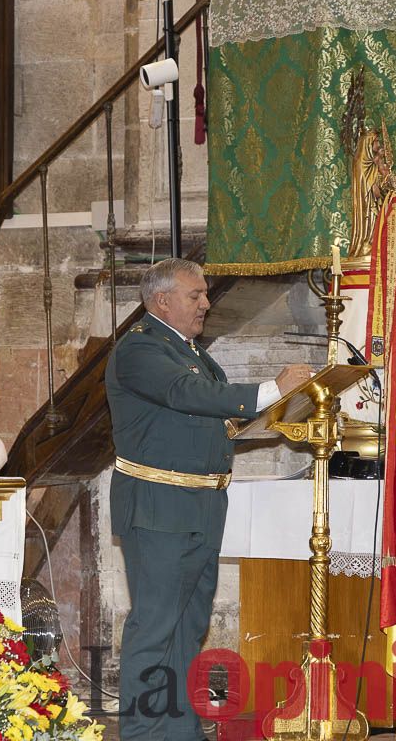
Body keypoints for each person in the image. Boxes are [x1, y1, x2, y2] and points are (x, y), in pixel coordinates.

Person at [105, 257, 312, 741]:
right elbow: (187, 394)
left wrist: (284, 412)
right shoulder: (140, 350)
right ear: (162, 300)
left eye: (204, 294)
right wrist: (270, 389)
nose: (204, 303)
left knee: (188, 627)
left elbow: (211, 417)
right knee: (155, 628)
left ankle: (178, 731)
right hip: (160, 506)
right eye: (194, 295)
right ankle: (141, 733)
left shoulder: (190, 351)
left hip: (200, 506)